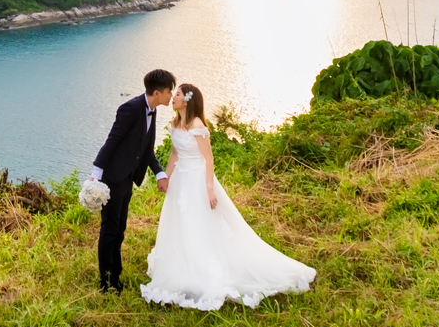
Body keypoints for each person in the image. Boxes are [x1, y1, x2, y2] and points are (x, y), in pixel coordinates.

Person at [141, 82, 315, 310]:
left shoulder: (197, 125)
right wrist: (166, 177)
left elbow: (209, 159)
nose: (173, 97)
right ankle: (184, 263)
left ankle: (204, 268)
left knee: (200, 223)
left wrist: (209, 188)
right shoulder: (175, 123)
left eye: (178, 94)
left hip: (197, 180)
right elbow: (175, 154)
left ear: (188, 100)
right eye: (173, 94)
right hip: (180, 182)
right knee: (181, 223)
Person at [89, 68, 175, 293]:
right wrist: (97, 172)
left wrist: (159, 172)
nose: (171, 95)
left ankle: (115, 274)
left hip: (127, 178)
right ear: (157, 92)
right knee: (110, 229)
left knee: (120, 228)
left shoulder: (152, 110)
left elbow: (146, 148)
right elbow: (112, 140)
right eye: (169, 91)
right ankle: (105, 281)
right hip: (113, 178)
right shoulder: (130, 108)